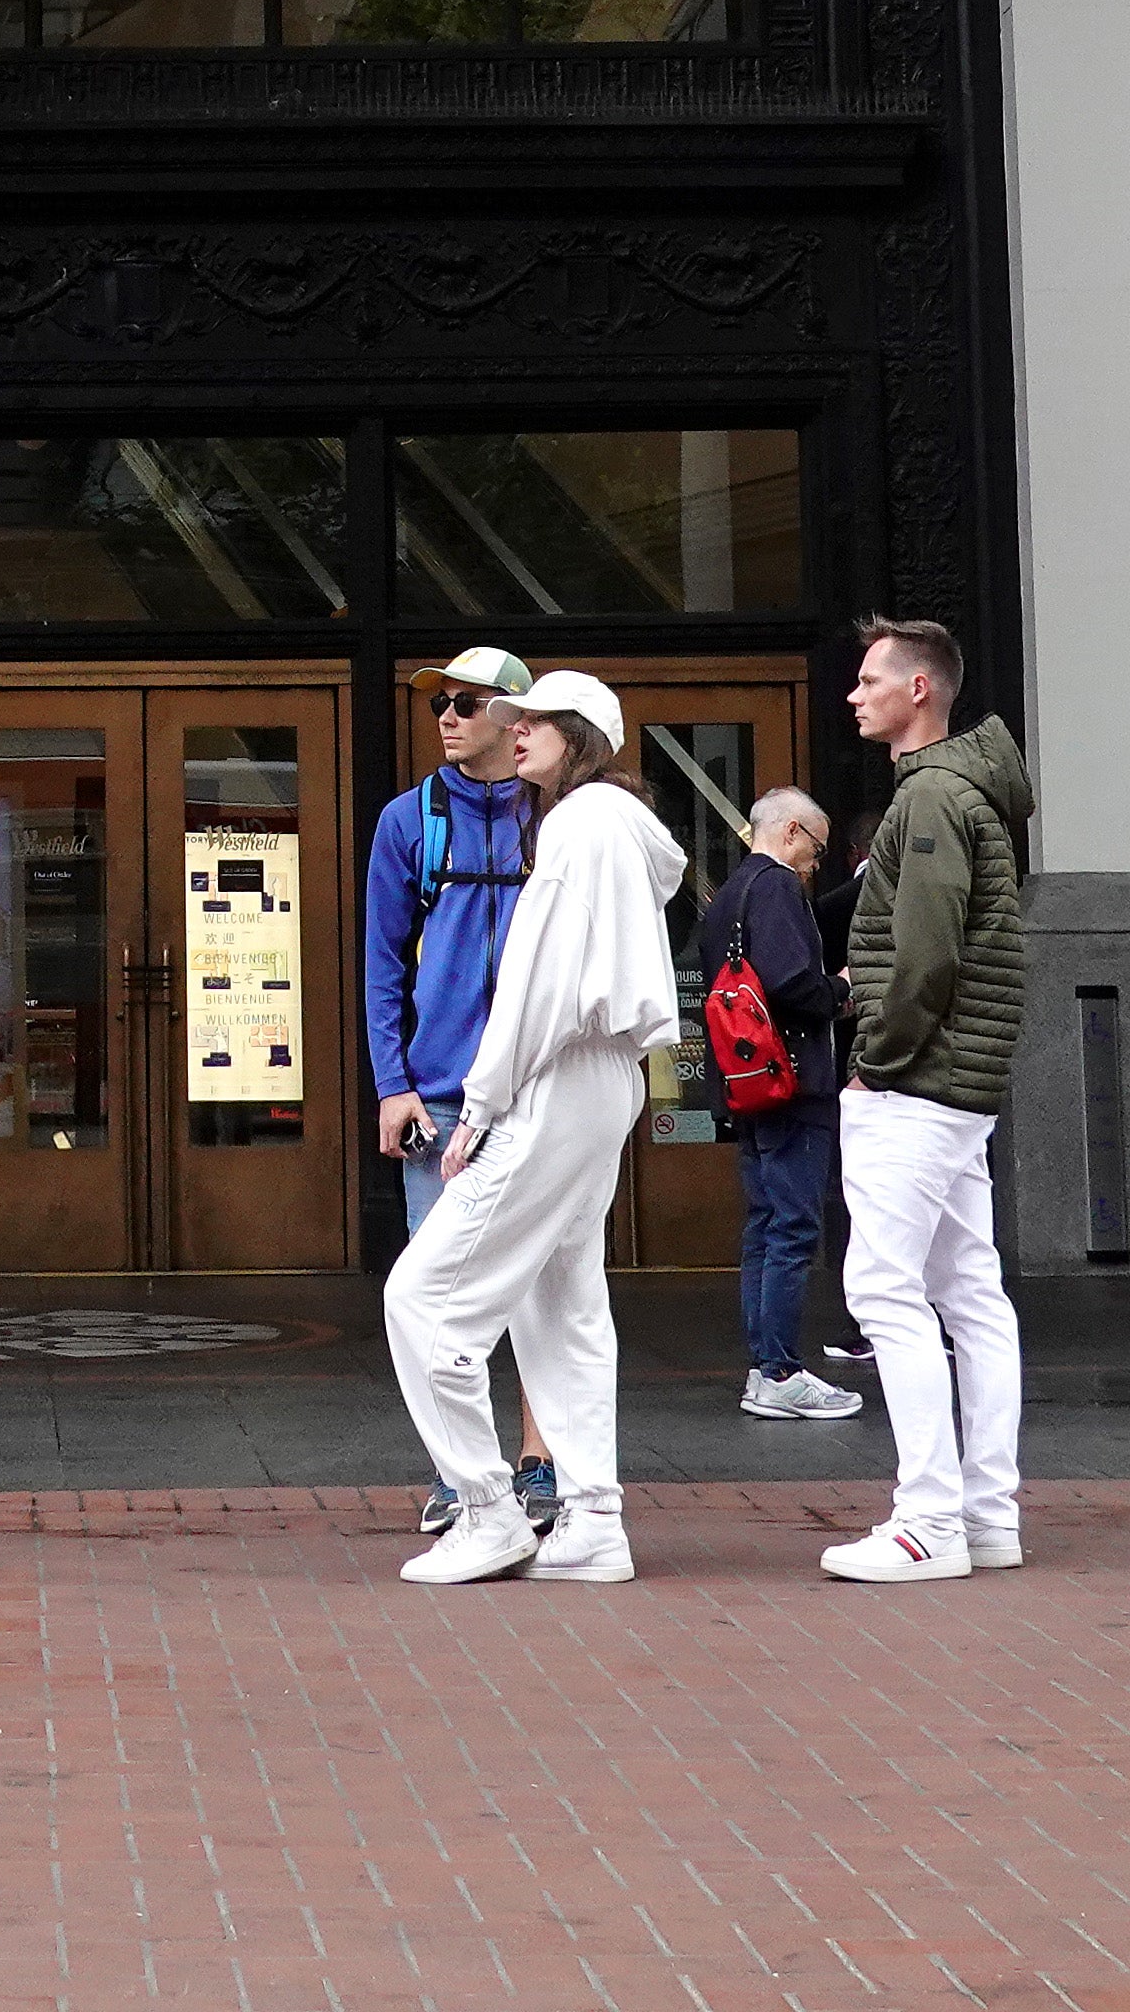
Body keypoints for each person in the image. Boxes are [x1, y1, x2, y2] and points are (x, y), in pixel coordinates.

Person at [380, 669, 685, 1591]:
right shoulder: (620, 824)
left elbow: (537, 985)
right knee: (564, 1306)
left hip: (554, 1080)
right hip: (605, 1077)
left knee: (421, 1300)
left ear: (577, 735)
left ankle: (486, 1510)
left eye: (535, 722)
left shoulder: (575, 824)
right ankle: (591, 1520)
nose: (515, 733)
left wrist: (479, 1106)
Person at [821, 613, 1035, 1584]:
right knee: (970, 1295)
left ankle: (930, 1522)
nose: (854, 695)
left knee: (885, 1289)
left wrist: (878, 1057)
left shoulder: (933, 798)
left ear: (919, 690)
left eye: (870, 679)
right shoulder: (961, 793)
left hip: (917, 1082)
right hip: (956, 1084)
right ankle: (984, 1518)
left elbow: (926, 954)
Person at [362, 646, 562, 1532]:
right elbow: (381, 963)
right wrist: (392, 1084)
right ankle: (460, 1470)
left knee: (544, 1287)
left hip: (539, 1087)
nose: (446, 717)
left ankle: (541, 1461)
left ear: (514, 719)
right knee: (439, 1290)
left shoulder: (557, 816)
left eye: (466, 703)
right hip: (440, 1095)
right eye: (439, 703)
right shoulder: (409, 820)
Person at [698, 787, 864, 1422]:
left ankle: (765, 1365)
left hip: (747, 1082)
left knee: (765, 1225)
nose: (815, 865)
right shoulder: (776, 889)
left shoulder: (730, 894)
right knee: (793, 1226)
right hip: (792, 1081)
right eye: (815, 850)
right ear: (792, 831)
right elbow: (793, 985)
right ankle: (780, 1371)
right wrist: (840, 988)